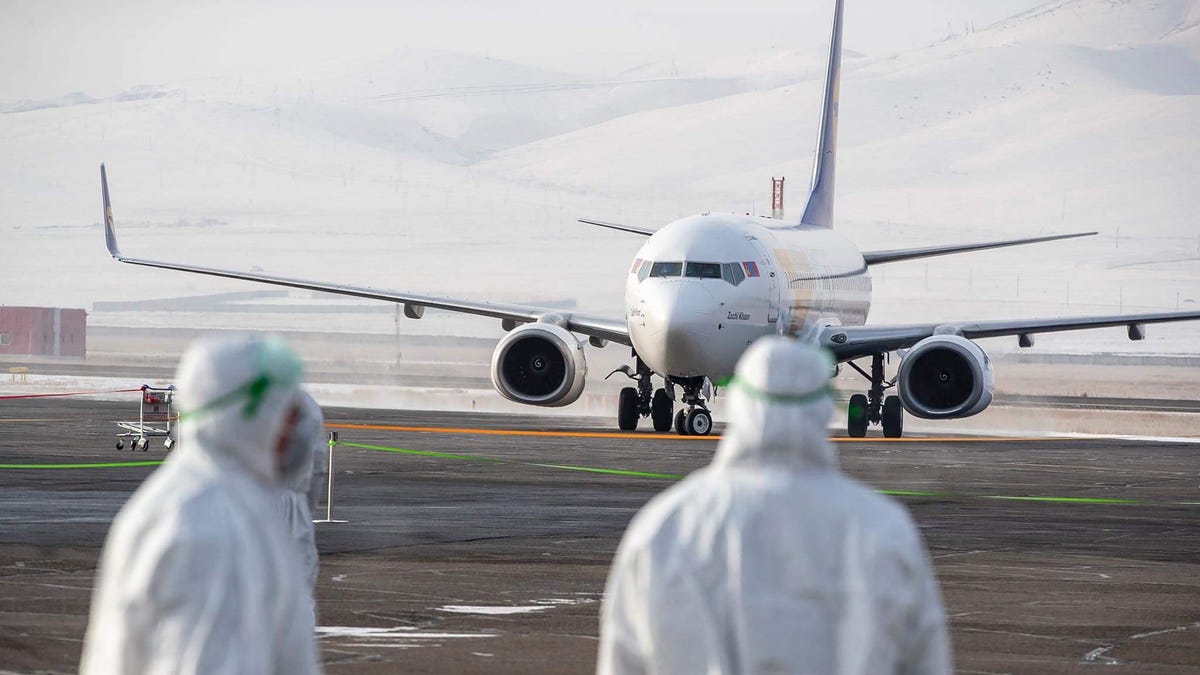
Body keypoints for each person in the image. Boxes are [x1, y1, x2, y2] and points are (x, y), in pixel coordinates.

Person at [597, 337, 951, 675]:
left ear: (738, 402)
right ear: (824, 408)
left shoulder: (665, 525)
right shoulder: (883, 528)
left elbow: (623, 657)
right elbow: (926, 659)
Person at [80, 335, 322, 675]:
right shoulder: (212, 527)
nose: (298, 432)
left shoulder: (211, 496)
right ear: (246, 412)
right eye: (285, 414)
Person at [279, 390, 328, 616]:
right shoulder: (305, 403)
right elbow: (318, 467)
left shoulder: (228, 391)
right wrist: (304, 509)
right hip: (293, 502)